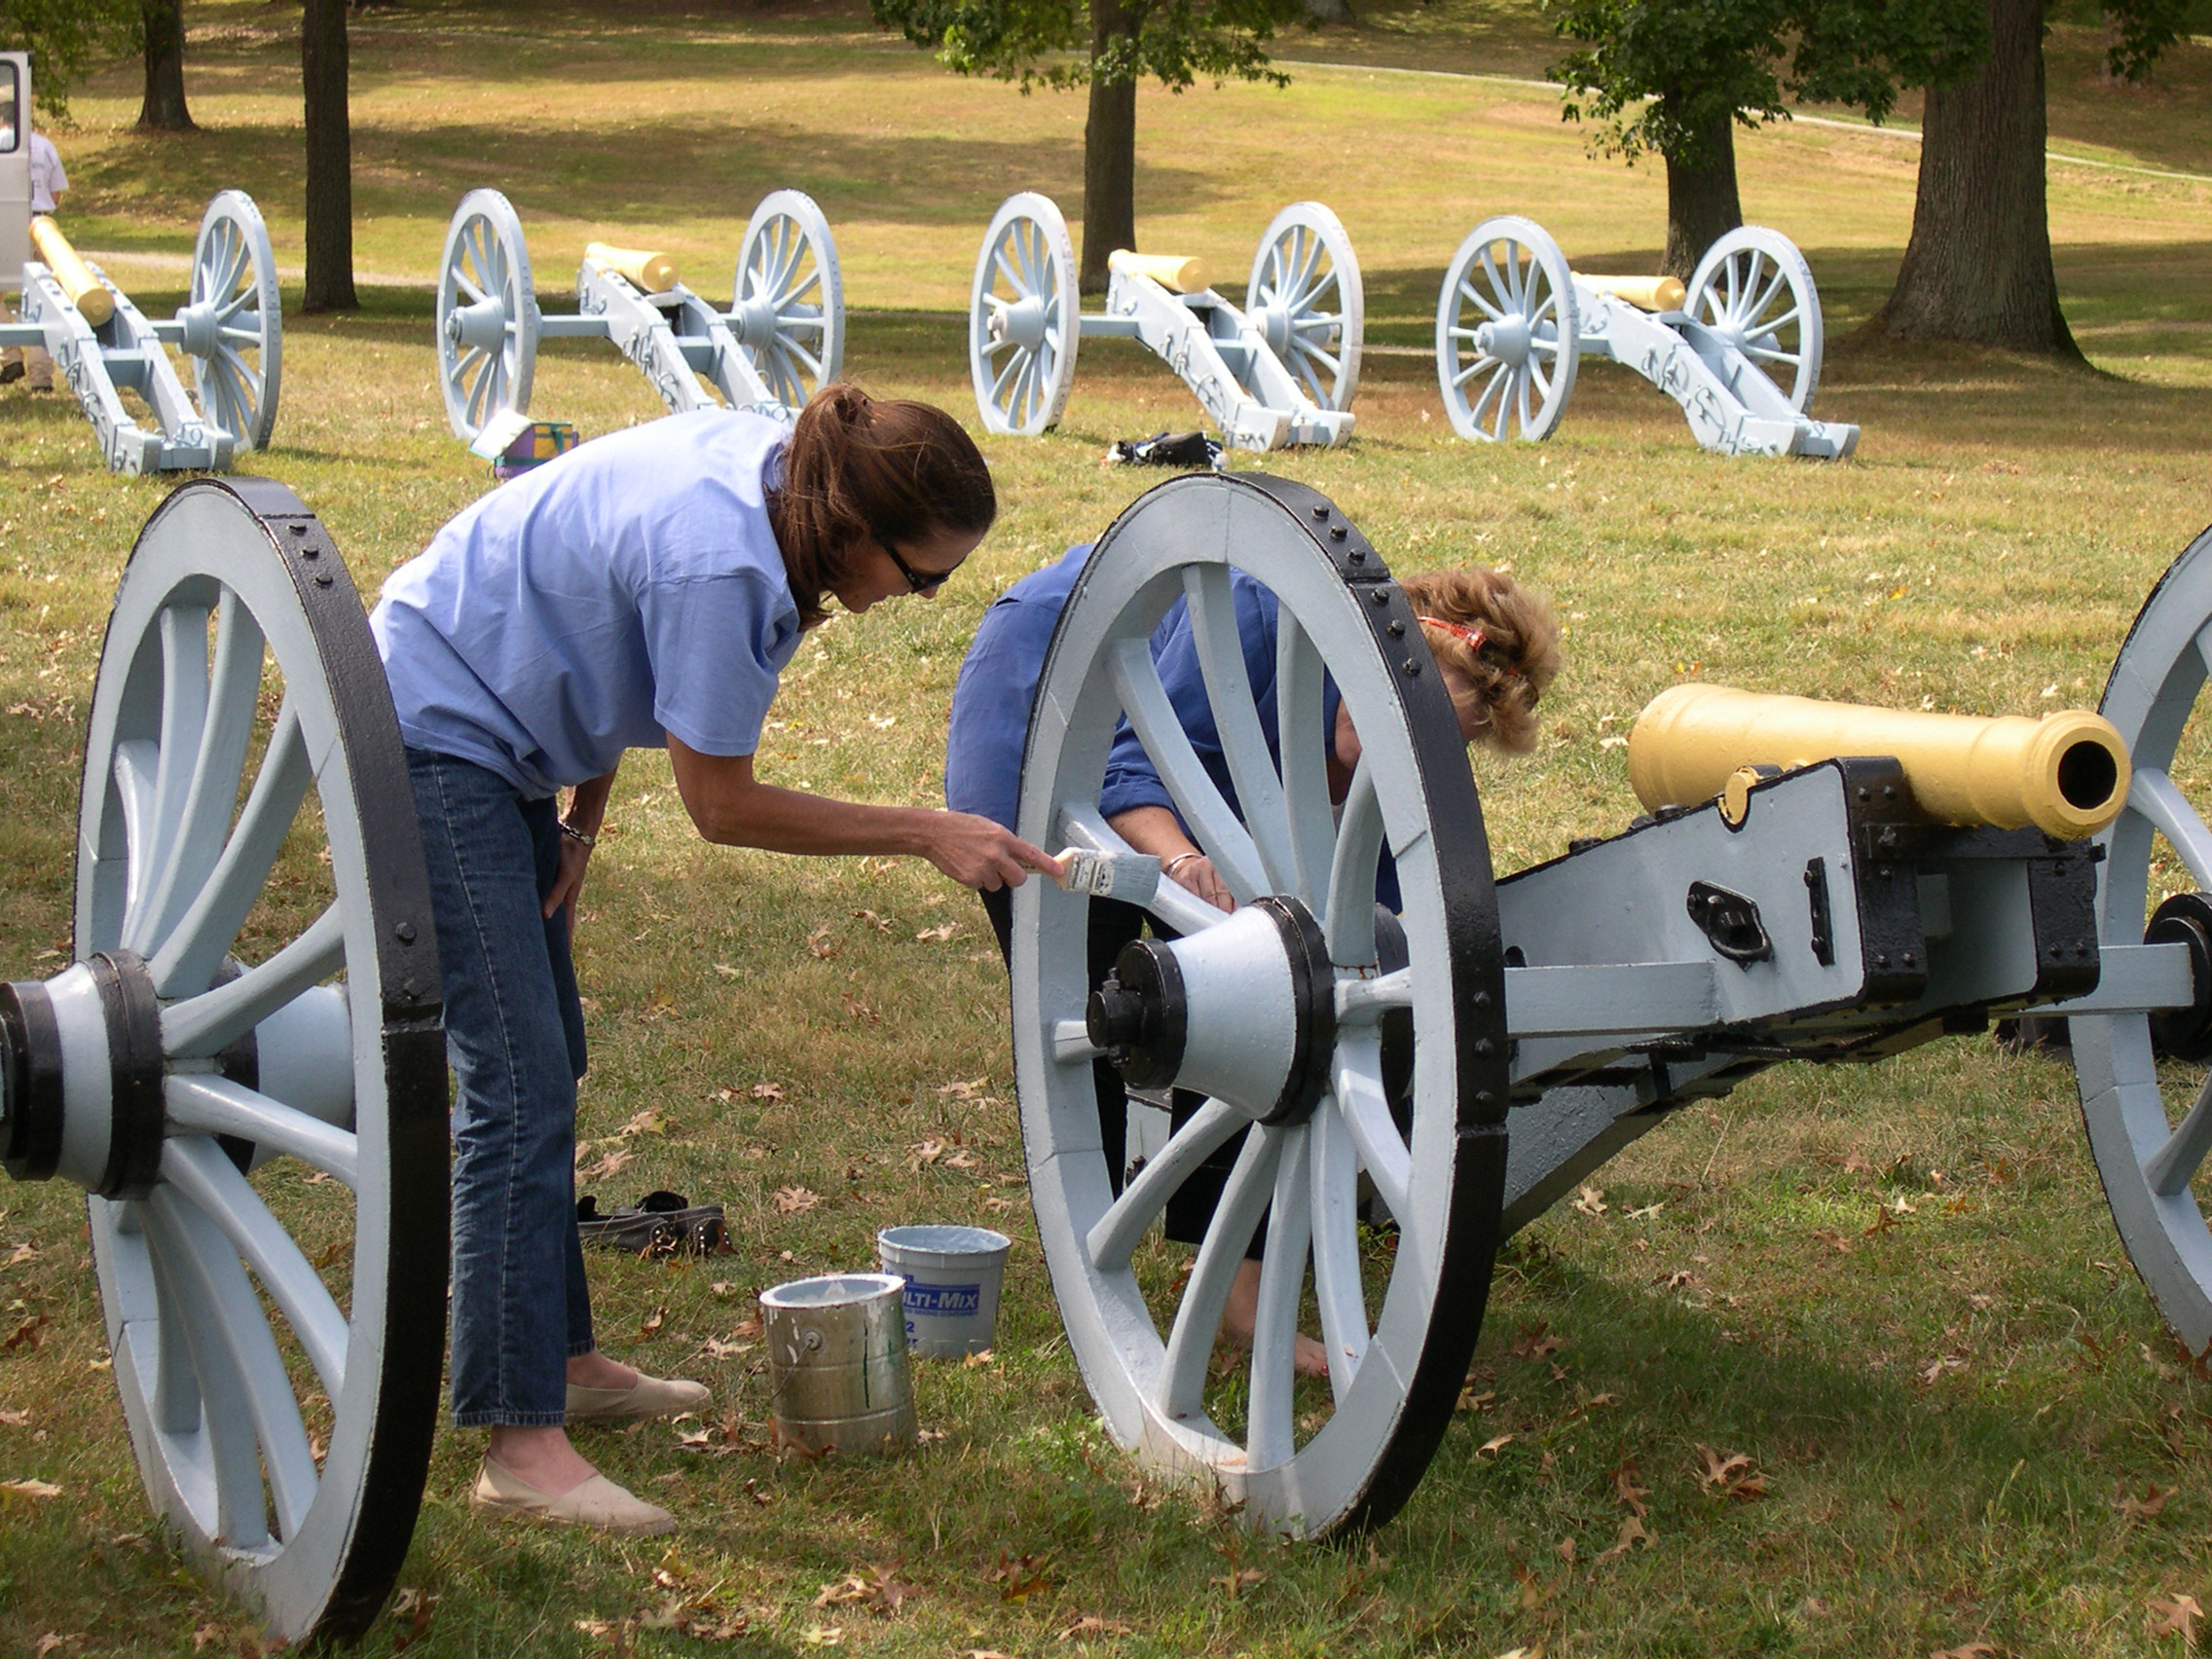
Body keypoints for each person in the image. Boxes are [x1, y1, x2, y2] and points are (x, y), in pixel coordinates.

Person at [371, 386, 1059, 1536]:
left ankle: (568, 1361)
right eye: (922, 575)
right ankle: (517, 1444)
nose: (917, 601)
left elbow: (615, 648)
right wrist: (925, 829)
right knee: (515, 1080)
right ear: (853, 529)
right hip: (433, 721)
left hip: (508, 730)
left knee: (553, 1055)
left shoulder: (785, 476)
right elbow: (723, 806)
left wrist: (582, 822)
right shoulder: (728, 569)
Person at [946, 542, 1560, 1373]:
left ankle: (1237, 1280)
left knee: (1279, 1003)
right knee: (1122, 1011)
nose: (1391, 753)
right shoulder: (1252, 613)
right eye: (1403, 725)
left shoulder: (1393, 750)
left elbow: (1361, 952)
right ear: (1401, 651)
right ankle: (1136, 1240)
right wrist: (1179, 862)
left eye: (1434, 746)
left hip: (1187, 775)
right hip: (1041, 704)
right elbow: (1128, 770)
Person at [1, 123, 68, 392]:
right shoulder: (45, 146)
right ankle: (41, 378)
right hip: (41, 228)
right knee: (43, 301)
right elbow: (55, 194)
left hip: (5, 225)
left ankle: (11, 355)